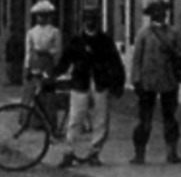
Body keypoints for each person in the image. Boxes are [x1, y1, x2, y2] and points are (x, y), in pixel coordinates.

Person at [52, 10, 126, 168]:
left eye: (93, 19)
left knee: (101, 119)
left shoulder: (105, 40)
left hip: (100, 82)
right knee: (75, 118)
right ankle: (69, 152)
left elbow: (115, 63)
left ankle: (94, 152)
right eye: (87, 19)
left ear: (98, 21)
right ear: (83, 21)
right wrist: (52, 74)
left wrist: (118, 83)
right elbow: (65, 61)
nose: (90, 22)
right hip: (80, 82)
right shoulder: (76, 40)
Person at [129, 1, 181, 165]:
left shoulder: (174, 33)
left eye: (162, 11)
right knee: (145, 120)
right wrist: (136, 80)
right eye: (157, 12)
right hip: (147, 82)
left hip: (169, 80)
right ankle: (139, 153)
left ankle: (172, 152)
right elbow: (137, 60)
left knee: (170, 118)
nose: (160, 14)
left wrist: (180, 56)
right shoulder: (143, 34)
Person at [21, 0, 64, 114]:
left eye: (44, 15)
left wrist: (55, 63)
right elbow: (28, 51)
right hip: (35, 62)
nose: (41, 18)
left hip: (48, 63)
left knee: (48, 91)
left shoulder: (55, 32)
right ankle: (33, 118)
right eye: (39, 15)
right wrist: (27, 66)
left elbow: (58, 50)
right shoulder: (32, 32)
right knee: (33, 90)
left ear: (49, 16)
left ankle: (48, 118)